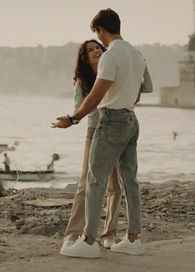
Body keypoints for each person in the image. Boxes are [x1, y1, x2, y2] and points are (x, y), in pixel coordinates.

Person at [52, 8, 153, 258]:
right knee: (130, 181)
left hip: (111, 122)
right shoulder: (136, 53)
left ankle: (88, 242)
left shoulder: (110, 57)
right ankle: (133, 239)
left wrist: (73, 118)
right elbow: (139, 92)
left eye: (96, 33)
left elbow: (96, 97)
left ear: (101, 30)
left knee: (95, 181)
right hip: (131, 119)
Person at [62, 39, 123, 251]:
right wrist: (95, 95)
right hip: (94, 131)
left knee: (115, 186)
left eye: (98, 47)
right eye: (90, 50)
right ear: (85, 58)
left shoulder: (113, 70)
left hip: (115, 130)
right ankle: (73, 234)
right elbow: (79, 108)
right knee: (84, 184)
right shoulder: (82, 81)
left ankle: (109, 234)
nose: (96, 50)